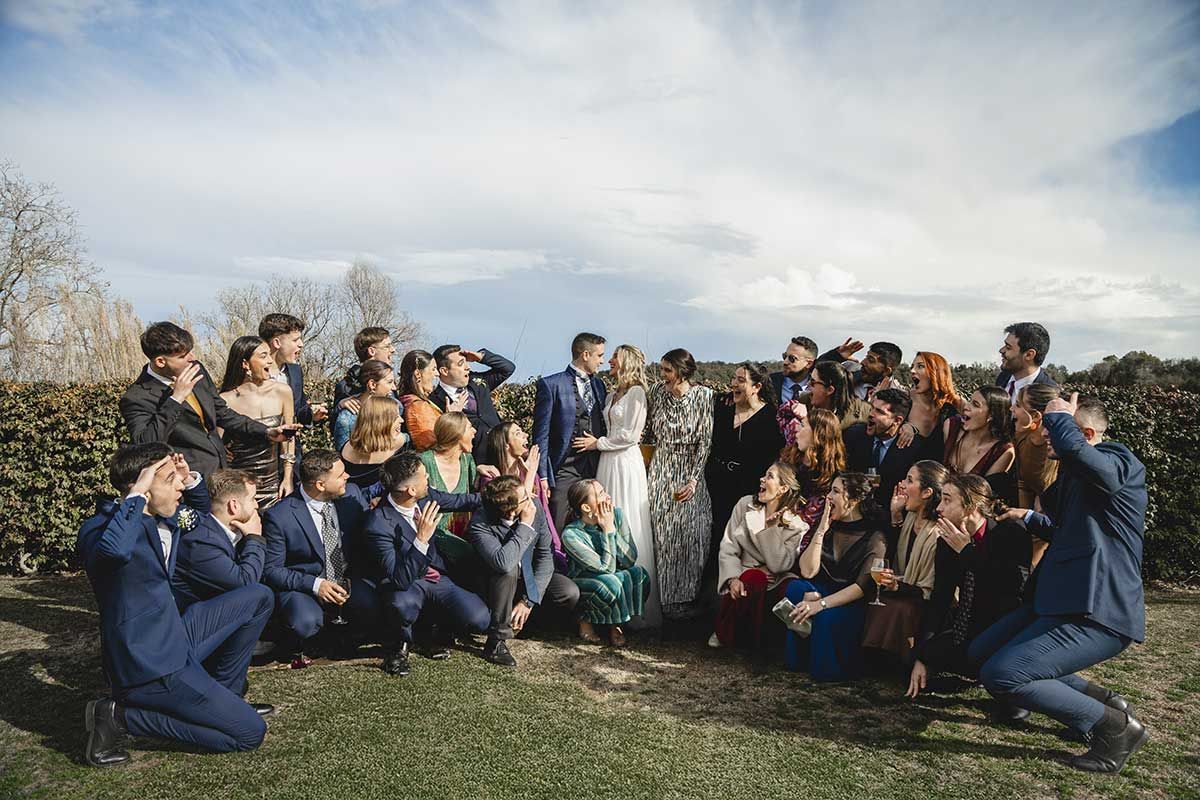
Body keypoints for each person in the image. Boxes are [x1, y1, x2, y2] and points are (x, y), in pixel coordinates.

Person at [968, 394, 1149, 774]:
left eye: (1054, 429)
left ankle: (1114, 728)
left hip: (1097, 608)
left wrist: (1060, 417)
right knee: (984, 653)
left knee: (1003, 672)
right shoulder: (1073, 476)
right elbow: (1070, 530)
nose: (1048, 436)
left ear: (1083, 432)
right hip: (1059, 599)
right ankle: (1104, 703)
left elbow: (1087, 459)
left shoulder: (1120, 460)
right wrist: (1029, 518)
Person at [78, 444, 274, 766]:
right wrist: (138, 495)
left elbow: (199, 520)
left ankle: (226, 692)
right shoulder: (100, 529)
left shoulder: (166, 518)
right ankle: (119, 717)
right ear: (139, 486)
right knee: (249, 733)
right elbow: (115, 552)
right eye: (170, 480)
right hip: (148, 662)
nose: (179, 486)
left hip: (175, 634)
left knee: (258, 596)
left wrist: (189, 481)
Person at [361, 452, 487, 676]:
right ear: (410, 490)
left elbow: (462, 500)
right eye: (423, 475)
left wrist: (504, 493)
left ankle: (431, 633)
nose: (428, 476)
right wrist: (421, 539)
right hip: (406, 584)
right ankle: (398, 648)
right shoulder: (378, 524)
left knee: (479, 620)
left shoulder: (426, 497)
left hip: (436, 578)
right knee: (402, 606)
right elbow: (399, 578)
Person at [906, 474, 1030, 698]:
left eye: (947, 500)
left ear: (970, 505)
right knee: (909, 660)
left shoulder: (1010, 531)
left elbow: (1014, 587)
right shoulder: (947, 539)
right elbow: (940, 598)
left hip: (1006, 627)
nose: (939, 508)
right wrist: (922, 655)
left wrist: (968, 553)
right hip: (966, 628)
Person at [120, 322, 296, 477]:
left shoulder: (196, 369)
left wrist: (266, 431)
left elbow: (222, 413)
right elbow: (145, 444)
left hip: (221, 472)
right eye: (183, 356)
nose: (192, 358)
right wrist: (176, 399)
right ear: (160, 361)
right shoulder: (136, 397)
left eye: (190, 352)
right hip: (185, 483)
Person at [262, 449, 381, 666]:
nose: (347, 477)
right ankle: (299, 639)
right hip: (305, 585)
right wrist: (316, 585)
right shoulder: (280, 516)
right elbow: (271, 570)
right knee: (305, 623)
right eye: (340, 475)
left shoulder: (351, 494)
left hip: (347, 579)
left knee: (372, 605)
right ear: (320, 485)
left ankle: (343, 631)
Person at [567, 344, 659, 627]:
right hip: (607, 461)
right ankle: (605, 596)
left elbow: (632, 435)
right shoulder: (610, 392)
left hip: (624, 461)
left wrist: (598, 443)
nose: (610, 361)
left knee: (626, 516)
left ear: (627, 360)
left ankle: (630, 610)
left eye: (615, 357)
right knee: (602, 516)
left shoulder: (637, 393)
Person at [466, 476, 581, 667]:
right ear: (511, 511)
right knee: (508, 570)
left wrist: (528, 601)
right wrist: (525, 526)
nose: (532, 497)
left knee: (568, 592)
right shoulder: (480, 523)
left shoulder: (533, 504)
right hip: (495, 585)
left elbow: (546, 556)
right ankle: (496, 641)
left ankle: (523, 623)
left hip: (528, 578)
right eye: (525, 498)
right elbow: (503, 562)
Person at [784, 473, 888, 681]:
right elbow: (807, 571)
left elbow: (860, 588)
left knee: (825, 616)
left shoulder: (874, 537)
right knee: (795, 588)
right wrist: (821, 530)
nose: (829, 497)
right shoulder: (829, 527)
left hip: (850, 601)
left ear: (855, 500)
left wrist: (821, 604)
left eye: (836, 491)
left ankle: (829, 669)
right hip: (823, 589)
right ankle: (799, 660)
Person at [709, 461, 809, 651]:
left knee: (788, 586)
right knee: (754, 577)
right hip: (744, 575)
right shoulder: (744, 505)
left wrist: (770, 530)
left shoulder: (796, 525)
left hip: (775, 579)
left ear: (783, 489)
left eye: (770, 476)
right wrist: (732, 579)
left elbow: (780, 565)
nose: (762, 479)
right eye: (764, 474)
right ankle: (726, 632)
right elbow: (728, 547)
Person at [860, 460, 951, 662]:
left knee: (896, 606)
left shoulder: (938, 534)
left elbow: (930, 590)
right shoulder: (910, 518)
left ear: (926, 493)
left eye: (909, 480)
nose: (901, 484)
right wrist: (895, 514)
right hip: (903, 587)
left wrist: (896, 586)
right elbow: (893, 554)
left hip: (926, 602)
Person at [647, 348, 714, 619]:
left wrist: (694, 479)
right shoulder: (656, 392)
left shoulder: (703, 396)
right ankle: (662, 602)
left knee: (692, 534)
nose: (662, 375)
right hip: (661, 466)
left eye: (667, 370)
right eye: (662, 369)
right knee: (661, 533)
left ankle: (687, 601)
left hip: (690, 469)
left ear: (682, 372)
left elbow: (705, 441)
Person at [706, 362, 785, 581]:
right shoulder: (722, 407)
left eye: (741, 380)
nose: (734, 384)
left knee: (734, 540)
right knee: (711, 537)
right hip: (714, 483)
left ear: (757, 386)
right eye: (733, 379)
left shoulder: (770, 417)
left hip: (745, 489)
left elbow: (772, 458)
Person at [532, 332, 608, 532]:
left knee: (595, 522)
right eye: (599, 356)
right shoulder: (551, 385)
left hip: (596, 465)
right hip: (564, 466)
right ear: (585, 355)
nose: (602, 361)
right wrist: (543, 475)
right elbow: (541, 434)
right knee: (557, 520)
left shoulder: (600, 386)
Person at [561, 479, 650, 646]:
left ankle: (615, 622)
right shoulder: (571, 534)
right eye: (600, 494)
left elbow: (630, 559)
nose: (608, 496)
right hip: (585, 584)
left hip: (611, 575)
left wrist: (613, 528)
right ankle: (584, 619)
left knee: (639, 574)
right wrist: (608, 531)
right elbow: (605, 569)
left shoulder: (617, 515)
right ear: (586, 508)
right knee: (611, 582)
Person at [172, 469, 270, 609]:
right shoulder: (201, 543)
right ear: (233, 506)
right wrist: (254, 539)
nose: (256, 505)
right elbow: (246, 585)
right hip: (192, 620)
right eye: (253, 499)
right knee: (264, 596)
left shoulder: (235, 530)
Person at [218, 336, 296, 508]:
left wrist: (287, 478)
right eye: (263, 356)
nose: (270, 360)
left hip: (274, 484)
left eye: (269, 355)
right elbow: (216, 443)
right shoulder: (225, 399)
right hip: (239, 487)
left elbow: (289, 439)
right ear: (245, 364)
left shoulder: (282, 391)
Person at [419, 412, 499, 575]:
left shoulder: (467, 460)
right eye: (470, 427)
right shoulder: (425, 461)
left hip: (464, 534)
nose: (475, 431)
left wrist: (478, 470)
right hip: (432, 537)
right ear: (456, 433)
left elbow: (472, 492)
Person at [487, 422, 566, 571]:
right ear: (505, 445)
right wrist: (529, 478)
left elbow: (543, 512)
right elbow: (515, 512)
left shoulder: (529, 472)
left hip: (536, 547)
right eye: (518, 433)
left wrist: (555, 545)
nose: (526, 435)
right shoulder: (491, 477)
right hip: (507, 548)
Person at [428, 344, 515, 466]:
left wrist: (481, 357)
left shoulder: (476, 381)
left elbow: (508, 369)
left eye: (466, 362)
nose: (467, 367)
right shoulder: (433, 401)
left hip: (504, 455)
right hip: (475, 466)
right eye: (460, 364)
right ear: (444, 371)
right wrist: (451, 417)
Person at [843, 388, 920, 515]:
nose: (871, 414)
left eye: (879, 411)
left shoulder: (913, 449)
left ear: (898, 420)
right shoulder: (853, 435)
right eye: (872, 407)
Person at [259, 312, 328, 447]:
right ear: (277, 342)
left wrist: (312, 414)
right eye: (295, 340)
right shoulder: (251, 373)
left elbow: (299, 410)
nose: (301, 344)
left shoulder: (296, 372)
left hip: (291, 452)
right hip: (259, 452)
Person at [779, 406, 845, 531]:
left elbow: (807, 522)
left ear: (817, 434)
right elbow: (781, 413)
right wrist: (797, 407)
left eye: (803, 425)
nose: (797, 428)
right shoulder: (792, 454)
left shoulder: (831, 478)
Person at [896, 351, 962, 460]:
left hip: (936, 473)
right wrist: (902, 425)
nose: (912, 371)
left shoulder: (955, 404)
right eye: (912, 367)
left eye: (920, 366)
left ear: (937, 372)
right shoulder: (904, 400)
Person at [332, 326, 397, 433]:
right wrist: (339, 407)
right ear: (371, 351)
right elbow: (336, 427)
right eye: (387, 346)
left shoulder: (389, 380)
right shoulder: (347, 385)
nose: (393, 350)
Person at [942, 386, 1016, 478]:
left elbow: (986, 490)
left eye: (975, 404)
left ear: (991, 415)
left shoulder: (1002, 452)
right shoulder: (951, 427)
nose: (966, 407)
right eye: (969, 401)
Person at [779, 359, 871, 432]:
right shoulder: (804, 401)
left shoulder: (863, 413)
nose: (808, 386)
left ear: (830, 390)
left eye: (813, 382)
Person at [332, 359, 403, 451]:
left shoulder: (396, 407)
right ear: (372, 384)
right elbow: (343, 452)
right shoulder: (347, 418)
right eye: (389, 382)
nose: (394, 387)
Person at [341, 394, 408, 490]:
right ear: (380, 422)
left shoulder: (404, 444)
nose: (402, 420)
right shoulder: (347, 452)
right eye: (395, 417)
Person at [1012, 383, 1061, 508]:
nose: (1011, 409)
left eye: (1018, 405)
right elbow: (1023, 484)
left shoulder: (1059, 450)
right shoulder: (1020, 438)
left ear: (1035, 416)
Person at [997, 322, 1058, 401]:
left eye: (1008, 347)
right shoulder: (1003, 378)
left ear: (1029, 355)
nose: (1001, 350)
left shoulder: (1049, 395)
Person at [398, 349, 443, 452]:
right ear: (418, 374)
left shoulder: (417, 402)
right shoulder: (417, 406)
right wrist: (453, 421)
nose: (437, 374)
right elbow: (429, 443)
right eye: (433, 369)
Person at [770, 335, 819, 403]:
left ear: (809, 364)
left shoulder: (817, 389)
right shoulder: (770, 382)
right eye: (785, 356)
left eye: (792, 358)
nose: (785, 362)